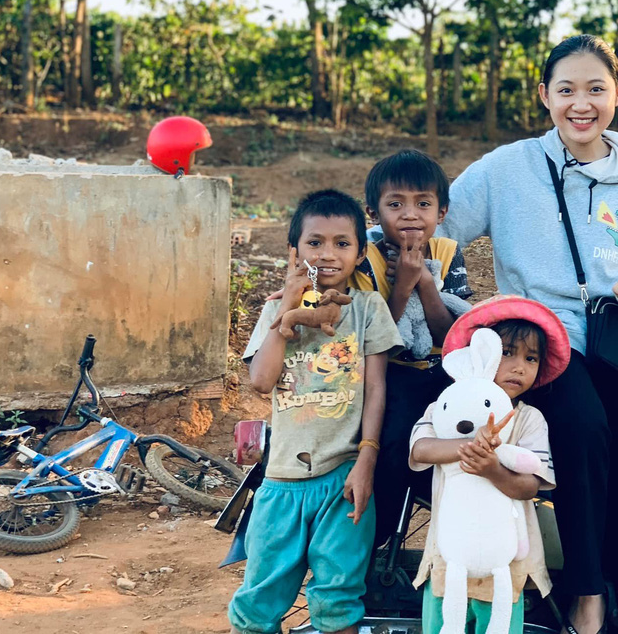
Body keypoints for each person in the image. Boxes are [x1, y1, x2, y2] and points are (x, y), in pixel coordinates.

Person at [440, 34, 618, 633]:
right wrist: (445, 311)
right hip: (545, 343)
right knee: (584, 429)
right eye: (567, 90)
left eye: (596, 89)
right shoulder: (505, 169)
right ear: (544, 96)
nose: (582, 103)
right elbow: (435, 232)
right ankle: (588, 591)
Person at [228, 189, 403, 634]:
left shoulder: (367, 310)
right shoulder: (273, 309)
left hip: (342, 478)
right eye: (315, 242)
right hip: (282, 481)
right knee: (259, 598)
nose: (328, 255)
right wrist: (287, 313)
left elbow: (377, 391)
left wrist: (366, 460)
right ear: (294, 251)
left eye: (342, 244)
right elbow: (261, 381)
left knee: (338, 596)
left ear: (361, 254)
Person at [409, 295, 571, 634]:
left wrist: (491, 468)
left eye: (531, 358)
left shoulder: (528, 419)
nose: (519, 366)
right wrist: (470, 446)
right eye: (507, 353)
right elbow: (421, 449)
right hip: (447, 557)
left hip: (504, 563)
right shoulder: (448, 407)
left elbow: (529, 486)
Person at [357, 149, 474, 548]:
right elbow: (377, 337)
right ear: (373, 213)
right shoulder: (364, 257)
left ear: (441, 213)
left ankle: (460, 530)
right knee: (396, 437)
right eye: (395, 204)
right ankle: (380, 539)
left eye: (423, 204)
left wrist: (425, 281)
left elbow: (453, 335)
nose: (410, 215)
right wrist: (403, 286)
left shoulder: (446, 251)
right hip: (388, 372)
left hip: (441, 367)